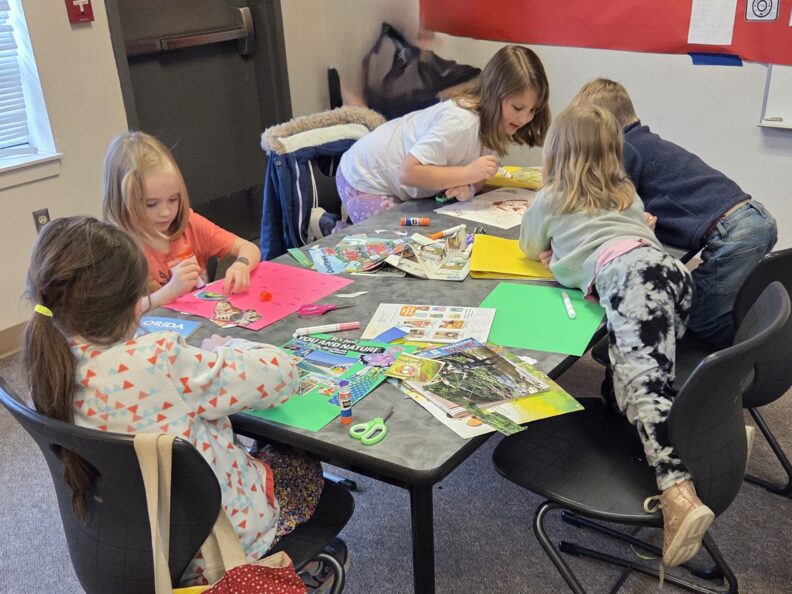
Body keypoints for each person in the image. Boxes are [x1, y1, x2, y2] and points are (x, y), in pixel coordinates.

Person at [20, 217, 340, 588]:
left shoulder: (46, 370)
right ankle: (304, 569)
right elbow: (282, 375)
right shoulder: (160, 359)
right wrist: (229, 347)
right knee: (299, 459)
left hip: (135, 546)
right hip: (220, 549)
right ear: (132, 304)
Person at [520, 104, 712, 571]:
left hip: (630, 278)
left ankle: (677, 495)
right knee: (633, 374)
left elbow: (528, 244)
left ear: (557, 152)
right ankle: (712, 430)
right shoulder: (626, 192)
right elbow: (626, 230)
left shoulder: (553, 196)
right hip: (671, 272)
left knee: (643, 386)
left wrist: (556, 252)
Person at [570, 78, 777, 348]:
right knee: (709, 303)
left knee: (698, 313)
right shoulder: (647, 141)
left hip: (736, 232)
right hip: (752, 219)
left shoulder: (624, 146)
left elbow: (610, 203)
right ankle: (741, 351)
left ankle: (741, 362)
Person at [336, 44, 551, 223]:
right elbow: (408, 172)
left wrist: (470, 188)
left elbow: (478, 173)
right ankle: (331, 228)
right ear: (495, 95)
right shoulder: (461, 123)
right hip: (364, 178)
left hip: (401, 185)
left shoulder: (496, 123)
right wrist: (468, 174)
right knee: (394, 247)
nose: (525, 119)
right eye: (518, 108)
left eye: (532, 110)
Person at [102, 131, 262, 313]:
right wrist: (170, 291)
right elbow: (119, 316)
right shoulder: (116, 249)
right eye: (151, 204)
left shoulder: (189, 223)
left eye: (173, 199)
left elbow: (249, 248)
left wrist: (241, 264)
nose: (165, 212)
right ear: (123, 201)